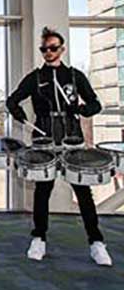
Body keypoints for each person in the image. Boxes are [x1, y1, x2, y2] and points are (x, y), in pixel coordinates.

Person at [6, 26, 112, 266]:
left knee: (83, 191)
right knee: (43, 191)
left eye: (53, 48)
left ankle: (97, 243)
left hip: (72, 138)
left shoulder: (74, 76)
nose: (48, 52)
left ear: (62, 49)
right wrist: (18, 114)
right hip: (44, 140)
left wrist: (81, 109)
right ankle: (39, 239)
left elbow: (95, 104)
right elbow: (12, 100)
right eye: (44, 49)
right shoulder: (35, 78)